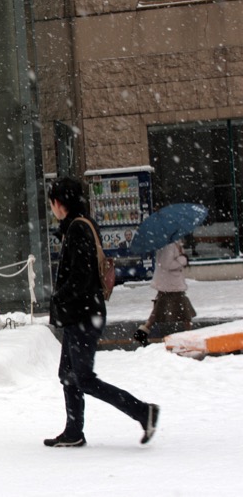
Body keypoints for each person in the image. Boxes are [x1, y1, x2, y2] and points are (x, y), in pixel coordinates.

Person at [46, 177, 159, 447]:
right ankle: (73, 431)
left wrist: (58, 297)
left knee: (83, 378)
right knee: (68, 374)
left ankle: (144, 412)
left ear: (59, 203)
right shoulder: (78, 225)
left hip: (84, 314)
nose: (51, 208)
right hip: (82, 314)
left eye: (52, 203)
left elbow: (81, 278)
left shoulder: (78, 229)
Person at [134, 240, 195, 346]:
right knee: (184, 309)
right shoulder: (169, 246)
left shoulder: (173, 244)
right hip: (171, 284)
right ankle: (190, 336)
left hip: (170, 283)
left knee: (159, 309)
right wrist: (183, 259)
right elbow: (167, 264)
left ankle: (143, 331)